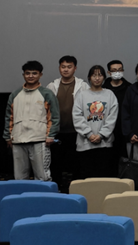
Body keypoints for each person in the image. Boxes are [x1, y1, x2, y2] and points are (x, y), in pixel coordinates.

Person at [3, 61, 59, 181]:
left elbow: (54, 117)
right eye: (28, 73)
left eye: (34, 73)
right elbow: (9, 117)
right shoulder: (15, 94)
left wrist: (51, 135)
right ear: (23, 75)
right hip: (18, 140)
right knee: (19, 177)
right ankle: (22, 194)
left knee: (42, 176)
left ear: (40, 75)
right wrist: (8, 137)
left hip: (39, 139)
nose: (31, 76)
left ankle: (44, 194)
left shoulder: (47, 93)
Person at [47, 55, 89, 189]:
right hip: (57, 132)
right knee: (56, 162)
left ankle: (76, 188)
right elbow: (46, 109)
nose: (66, 70)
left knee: (77, 162)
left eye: (69, 67)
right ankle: (57, 188)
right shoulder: (52, 86)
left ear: (75, 68)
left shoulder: (83, 86)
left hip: (76, 131)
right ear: (59, 68)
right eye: (63, 67)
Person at [72, 65, 118, 178]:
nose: (97, 78)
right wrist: (89, 134)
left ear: (104, 77)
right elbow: (77, 116)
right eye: (94, 75)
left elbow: (112, 117)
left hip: (105, 144)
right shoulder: (81, 95)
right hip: (85, 144)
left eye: (100, 75)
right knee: (86, 175)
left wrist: (101, 134)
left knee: (103, 175)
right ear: (89, 77)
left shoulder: (110, 94)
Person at [104, 60, 130, 167]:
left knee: (124, 159)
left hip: (124, 130)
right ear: (109, 72)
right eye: (114, 70)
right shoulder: (103, 88)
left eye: (119, 70)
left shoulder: (130, 88)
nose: (117, 72)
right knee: (108, 160)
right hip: (105, 130)